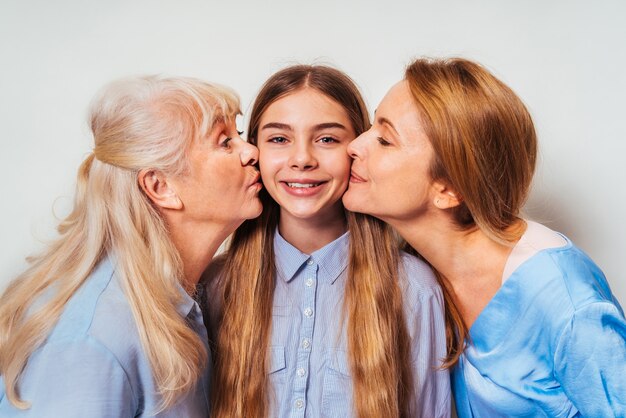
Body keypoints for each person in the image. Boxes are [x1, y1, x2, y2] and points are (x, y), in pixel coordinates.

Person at [343, 57, 626, 417]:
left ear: (448, 189)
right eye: (370, 126)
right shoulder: (411, 275)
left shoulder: (564, 299)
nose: (355, 145)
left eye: (384, 139)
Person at [0, 75, 262, 417]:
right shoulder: (89, 342)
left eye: (238, 135)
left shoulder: (182, 301)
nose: (252, 151)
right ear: (160, 186)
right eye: (224, 141)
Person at [203, 64, 450, 418]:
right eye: (279, 139)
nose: (302, 159)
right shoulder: (215, 286)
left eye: (327, 139)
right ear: (254, 150)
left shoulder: (413, 289)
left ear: (358, 148)